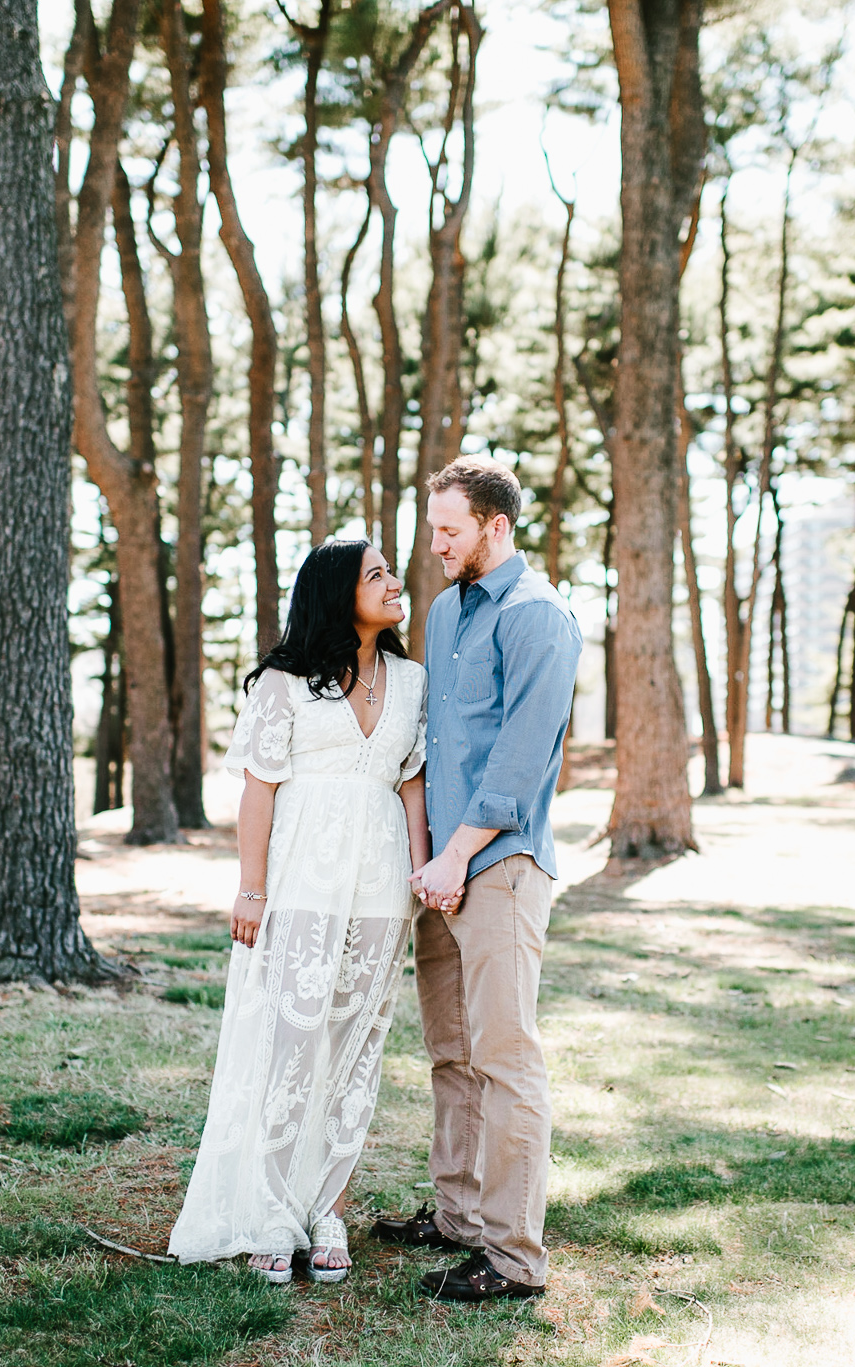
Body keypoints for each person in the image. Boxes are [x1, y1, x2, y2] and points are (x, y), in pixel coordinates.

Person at [168, 540, 429, 1284]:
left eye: (388, 571)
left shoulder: (412, 681)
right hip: (302, 881)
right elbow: (260, 789)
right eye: (374, 574)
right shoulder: (284, 683)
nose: (392, 582)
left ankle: (328, 1206)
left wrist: (416, 875)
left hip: (380, 885)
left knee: (355, 1045)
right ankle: (276, 1207)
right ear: (336, 594)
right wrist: (252, 888)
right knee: (291, 1043)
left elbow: (411, 784)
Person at [372, 456, 583, 1302]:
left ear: (496, 527)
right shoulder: (443, 610)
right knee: (450, 1056)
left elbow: (520, 760)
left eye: (449, 529)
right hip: (442, 876)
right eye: (432, 529)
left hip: (497, 867)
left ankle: (513, 1258)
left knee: (504, 1058)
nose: (435, 544)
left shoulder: (540, 618)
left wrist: (457, 857)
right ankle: (457, 1218)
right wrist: (428, 862)